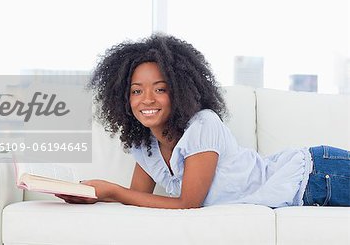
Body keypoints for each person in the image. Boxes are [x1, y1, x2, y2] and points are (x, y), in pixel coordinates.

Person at [55, 34, 350, 209]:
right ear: (123, 98)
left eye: (160, 89)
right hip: (309, 188)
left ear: (180, 91)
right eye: (136, 91)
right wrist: (93, 196)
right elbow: (138, 199)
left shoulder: (202, 126)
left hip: (314, 174)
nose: (147, 99)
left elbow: (188, 204)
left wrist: (112, 190)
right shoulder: (145, 146)